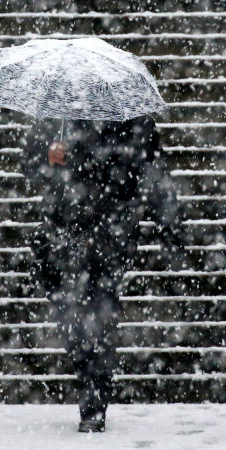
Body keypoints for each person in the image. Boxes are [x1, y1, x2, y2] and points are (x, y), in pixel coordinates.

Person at [21, 114, 185, 433]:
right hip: (66, 230)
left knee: (100, 313)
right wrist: (47, 156)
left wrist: (168, 227)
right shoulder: (59, 119)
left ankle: (94, 401)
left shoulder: (134, 123)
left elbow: (153, 175)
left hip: (111, 232)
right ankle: (89, 381)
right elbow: (29, 165)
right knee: (72, 316)